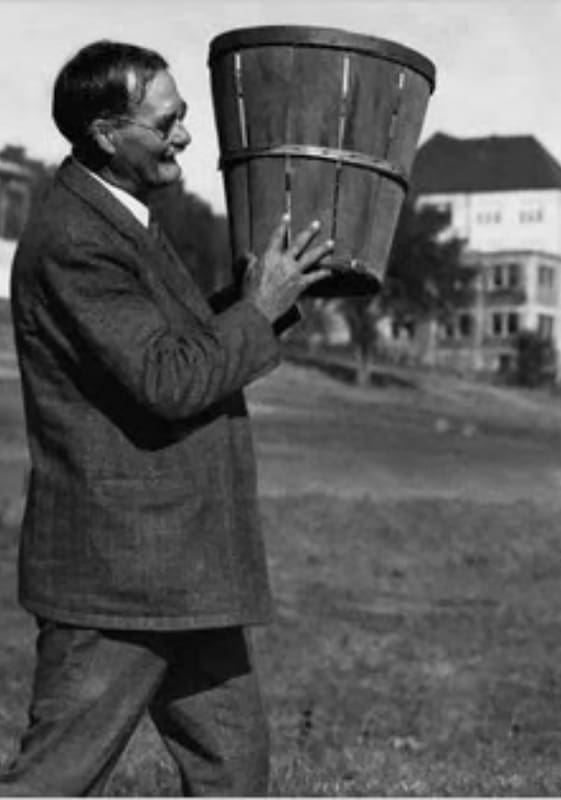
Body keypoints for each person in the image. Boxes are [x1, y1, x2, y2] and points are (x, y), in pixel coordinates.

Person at [0, 40, 333, 795]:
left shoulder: (123, 219)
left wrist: (261, 300)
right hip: (117, 574)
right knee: (52, 781)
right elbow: (169, 380)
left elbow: (168, 348)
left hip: (181, 567)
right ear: (104, 134)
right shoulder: (75, 241)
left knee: (233, 769)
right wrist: (257, 311)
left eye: (182, 115)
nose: (183, 135)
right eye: (164, 122)